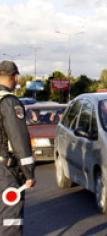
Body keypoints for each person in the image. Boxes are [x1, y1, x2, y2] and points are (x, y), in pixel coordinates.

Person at [0, 60, 36, 235]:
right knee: (10, 220)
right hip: (5, 172)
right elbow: (19, 139)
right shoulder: (8, 102)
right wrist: (29, 173)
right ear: (13, 77)